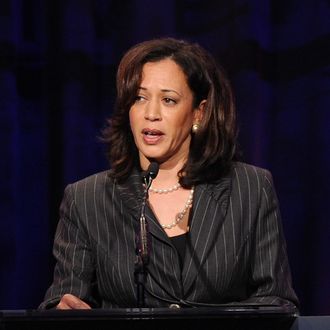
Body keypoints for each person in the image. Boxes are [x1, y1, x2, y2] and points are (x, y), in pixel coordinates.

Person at [39, 37, 299, 310]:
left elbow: (276, 301)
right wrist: (62, 311)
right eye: (139, 98)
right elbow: (65, 299)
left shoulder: (250, 188)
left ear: (199, 113)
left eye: (168, 100)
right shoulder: (86, 199)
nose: (151, 113)